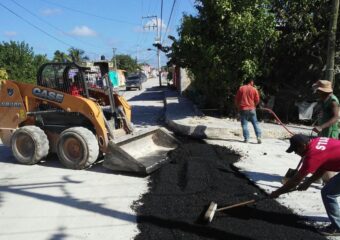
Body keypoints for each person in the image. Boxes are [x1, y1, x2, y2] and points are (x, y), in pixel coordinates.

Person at [270, 134, 340, 236]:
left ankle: (338, 227)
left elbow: (295, 181)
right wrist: (308, 182)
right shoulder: (317, 140)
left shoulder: (312, 155)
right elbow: (323, 165)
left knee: (328, 193)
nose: (295, 153)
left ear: (303, 145)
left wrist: (277, 192)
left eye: (295, 150)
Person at [312, 80, 339, 183]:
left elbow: (336, 117)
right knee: (320, 153)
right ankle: (319, 177)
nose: (317, 93)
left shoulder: (333, 101)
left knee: (328, 156)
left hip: (330, 132)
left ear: (323, 91)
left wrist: (321, 127)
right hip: (323, 131)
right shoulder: (324, 99)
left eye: (318, 91)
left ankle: (329, 181)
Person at [235, 78, 262, 143]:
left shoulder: (241, 88)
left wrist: (238, 107)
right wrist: (254, 105)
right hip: (252, 109)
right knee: (255, 123)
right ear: (251, 82)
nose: (253, 83)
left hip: (243, 109)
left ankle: (246, 139)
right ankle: (258, 137)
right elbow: (257, 100)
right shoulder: (254, 89)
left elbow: (236, 99)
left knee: (244, 124)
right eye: (253, 82)